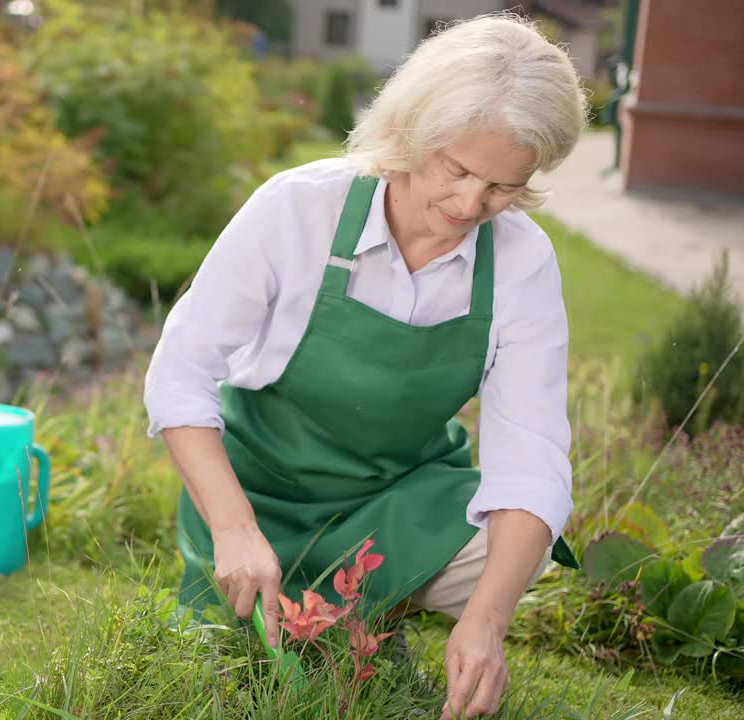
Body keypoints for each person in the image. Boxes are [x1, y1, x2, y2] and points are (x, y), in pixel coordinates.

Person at [143, 13, 585, 719]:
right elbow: (179, 375)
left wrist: (487, 624)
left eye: (502, 188)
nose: (471, 205)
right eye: (458, 170)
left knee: (516, 554)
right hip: (261, 495)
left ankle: (361, 609)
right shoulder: (299, 209)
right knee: (227, 660)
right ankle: (336, 607)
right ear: (414, 133)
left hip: (397, 497)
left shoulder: (522, 261)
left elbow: (531, 458)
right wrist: (231, 527)